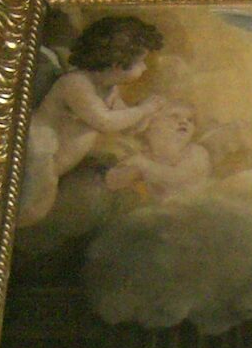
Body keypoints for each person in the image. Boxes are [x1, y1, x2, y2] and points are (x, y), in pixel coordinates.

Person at [18, 14, 166, 227]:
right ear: (117, 63)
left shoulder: (109, 88)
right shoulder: (76, 84)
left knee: (40, 208)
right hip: (37, 154)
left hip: (55, 163)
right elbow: (105, 122)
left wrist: (147, 116)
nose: (144, 68)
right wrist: (143, 110)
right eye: (140, 61)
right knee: (30, 210)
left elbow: (126, 124)